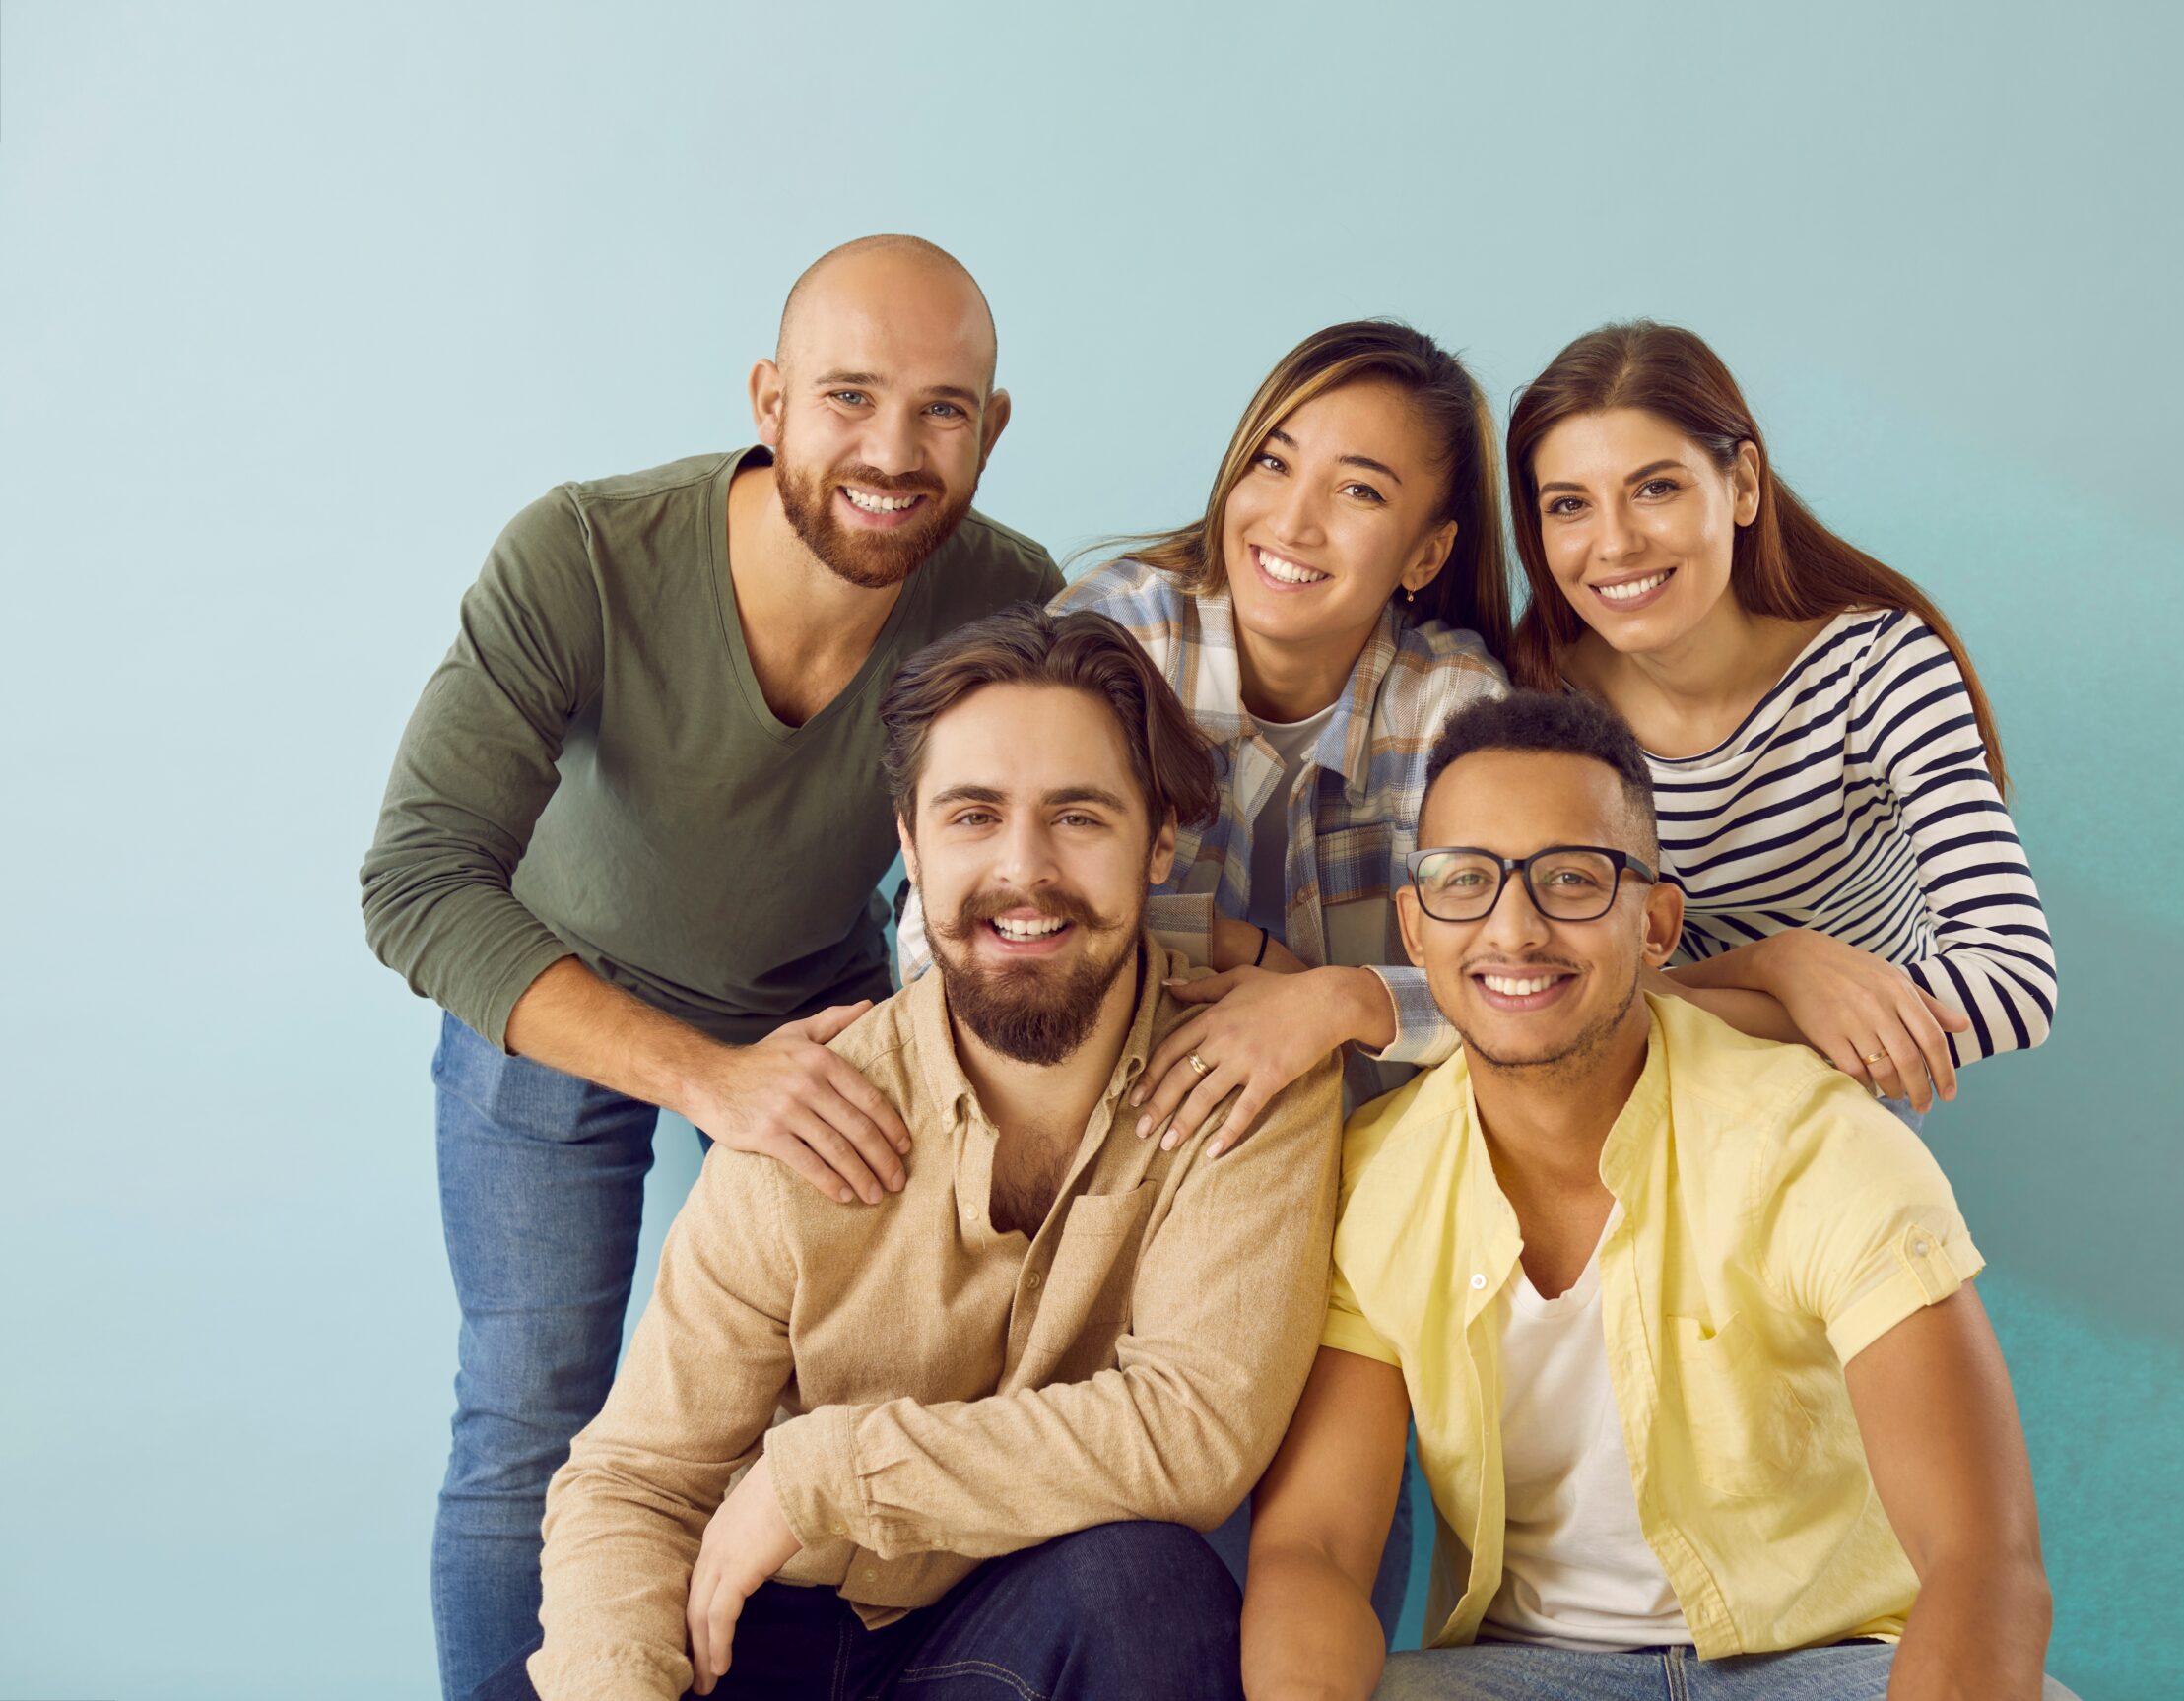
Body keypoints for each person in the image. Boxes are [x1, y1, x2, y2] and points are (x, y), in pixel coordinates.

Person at [359, 235, 1064, 1701]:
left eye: (944, 408)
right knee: (530, 1411)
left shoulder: (1008, 600)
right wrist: (709, 1081)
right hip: (548, 1005)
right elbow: (418, 881)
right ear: (770, 396)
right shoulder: (582, 554)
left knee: (819, 1415)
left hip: (818, 1005)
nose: (893, 448)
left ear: (993, 429)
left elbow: (1000, 865)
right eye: (849, 396)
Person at [474, 605, 1342, 1701]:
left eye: (1077, 815)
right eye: (973, 814)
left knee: (1149, 1584)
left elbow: (1195, 1431)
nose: (1023, 871)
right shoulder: (806, 1104)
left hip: (1023, 1627)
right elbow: (638, 1476)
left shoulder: (1247, 1078)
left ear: (1159, 837)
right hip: (763, 1619)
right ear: (910, 840)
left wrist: (824, 1473)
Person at [1241, 689, 2073, 1701]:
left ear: (1657, 922)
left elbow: (1982, 1559)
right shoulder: (1378, 1177)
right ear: (1415, 928)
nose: (1513, 927)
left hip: (1832, 1662)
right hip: (1516, 1671)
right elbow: (1316, 1548)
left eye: (1572, 880)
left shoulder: (1814, 1140)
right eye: (1465, 880)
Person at [895, 317, 1511, 1629]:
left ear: (1430, 552)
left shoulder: (1449, 707)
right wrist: (1248, 960)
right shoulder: (1123, 634)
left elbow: (1517, 982)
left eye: (1360, 490)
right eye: (1273, 462)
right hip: (1081, 1144)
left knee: (1320, 1519)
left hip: (1326, 1168)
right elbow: (966, 930)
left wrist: (1330, 993)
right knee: (1089, 1536)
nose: (1292, 517)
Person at [1503, 321, 2056, 1120]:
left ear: (1743, 485)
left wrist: (1665, 1006)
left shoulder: (1878, 668)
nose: (1614, 543)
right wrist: (1776, 964)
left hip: (1840, 1102)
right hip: (1647, 1097)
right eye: (1569, 505)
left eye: (1656, 488)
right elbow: (1564, 987)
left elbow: (2014, 982)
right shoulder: (1544, 705)